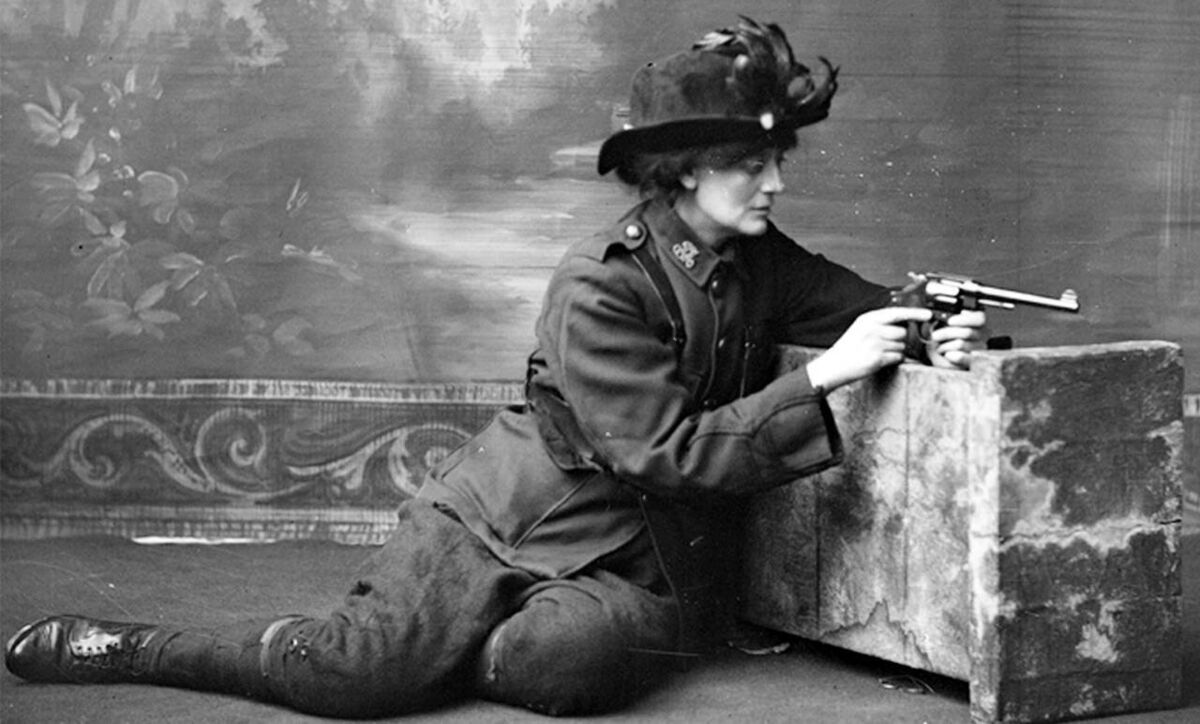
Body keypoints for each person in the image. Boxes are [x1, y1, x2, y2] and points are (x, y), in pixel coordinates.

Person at [4, 16, 988, 719]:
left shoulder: (763, 259)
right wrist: (822, 378)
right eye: (749, 165)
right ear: (682, 170)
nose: (775, 182)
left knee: (559, 669)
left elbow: (865, 303)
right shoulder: (598, 286)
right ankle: (130, 644)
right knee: (358, 682)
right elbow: (664, 455)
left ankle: (464, 647)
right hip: (502, 520)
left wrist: (939, 332)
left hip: (633, 558)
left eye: (777, 163)